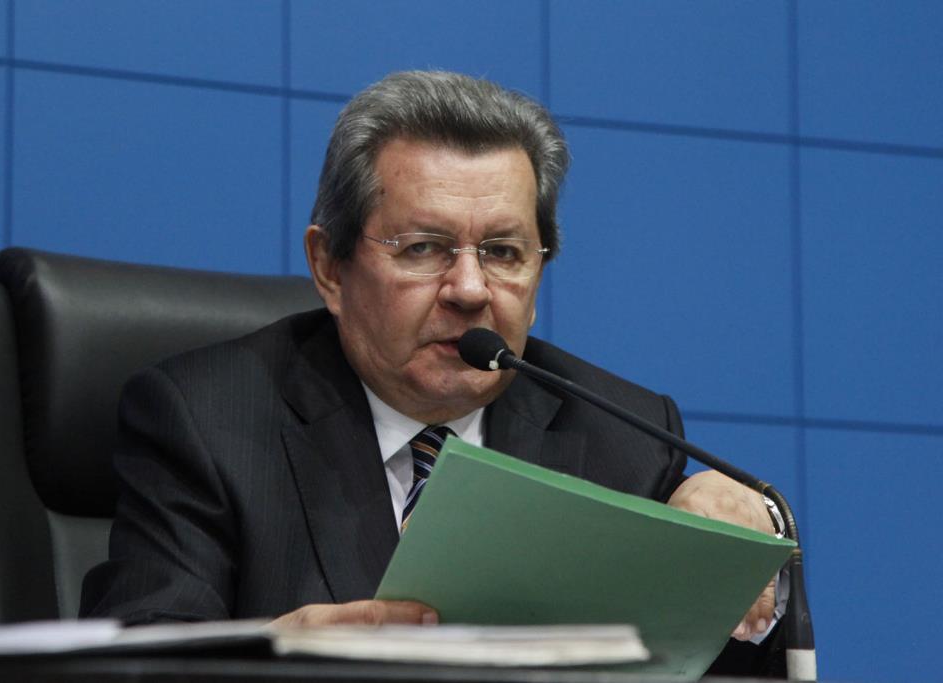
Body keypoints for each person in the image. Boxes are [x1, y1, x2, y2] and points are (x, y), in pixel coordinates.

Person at [80, 70, 782, 673]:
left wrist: (753, 550)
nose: (470, 290)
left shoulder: (621, 436)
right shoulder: (206, 421)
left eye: (503, 252)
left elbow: (721, 666)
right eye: (423, 248)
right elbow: (135, 663)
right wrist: (271, 657)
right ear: (330, 267)